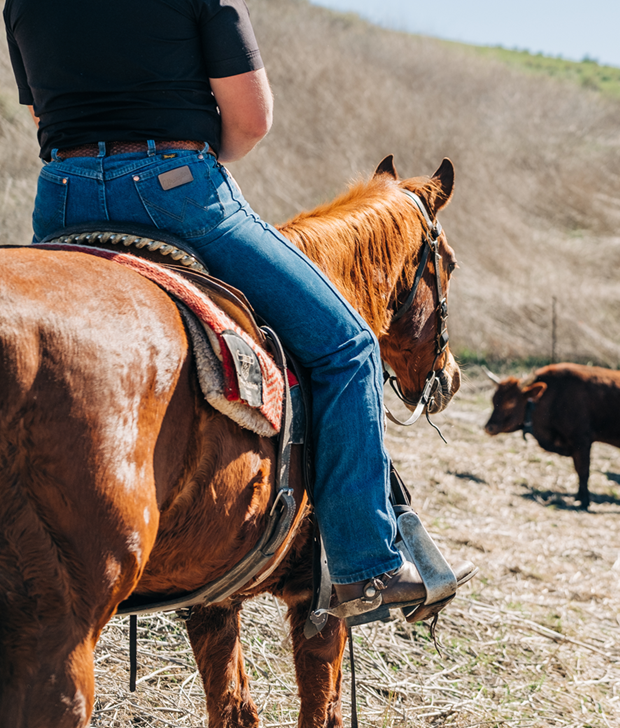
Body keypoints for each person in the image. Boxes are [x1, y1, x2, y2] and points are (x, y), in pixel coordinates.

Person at [3, 0, 470, 625]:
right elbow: (251, 121)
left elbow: (41, 113)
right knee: (348, 346)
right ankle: (368, 567)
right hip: (177, 193)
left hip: (63, 200)